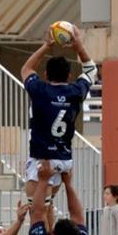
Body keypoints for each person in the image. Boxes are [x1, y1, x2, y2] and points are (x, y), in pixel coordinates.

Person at [20, 24, 95, 213]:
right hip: (63, 159)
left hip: (41, 158)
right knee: (48, 208)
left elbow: (27, 69)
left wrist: (46, 46)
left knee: (37, 213)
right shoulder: (75, 91)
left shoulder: (40, 90)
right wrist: (79, 47)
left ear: (45, 75)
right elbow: (91, 70)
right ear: (69, 76)